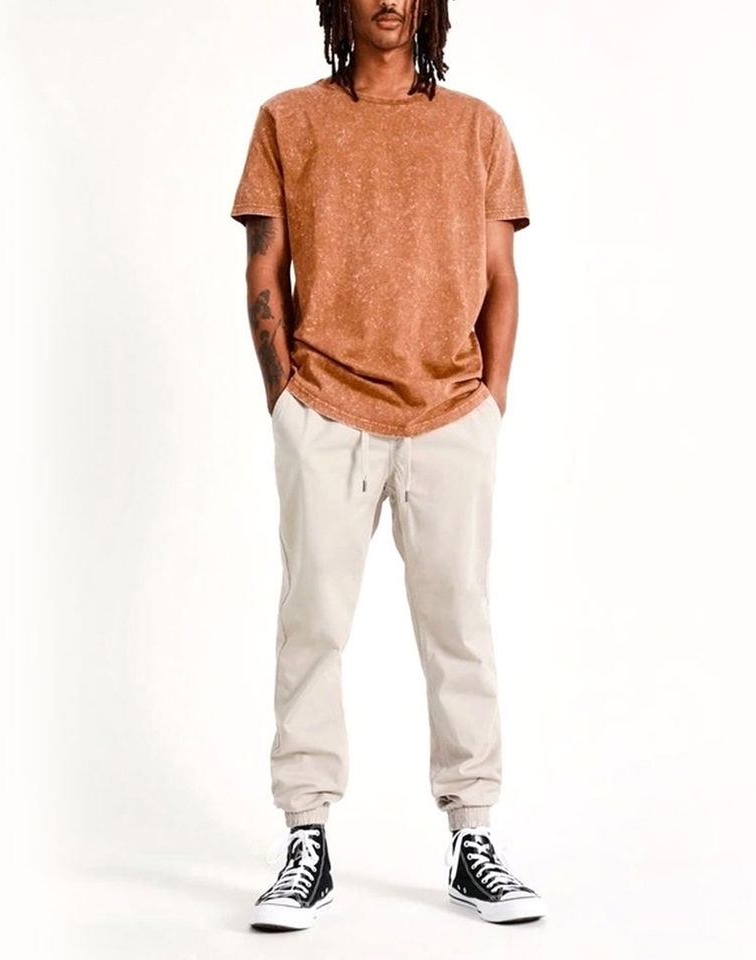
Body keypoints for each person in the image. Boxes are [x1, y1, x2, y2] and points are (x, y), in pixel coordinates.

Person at [231, 0, 545, 930]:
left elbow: (502, 279)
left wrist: (489, 404)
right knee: (313, 624)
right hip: (325, 411)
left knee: (460, 628)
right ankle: (306, 839)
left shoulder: (477, 128)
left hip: (451, 414)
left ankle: (473, 837)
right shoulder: (289, 120)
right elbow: (263, 269)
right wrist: (286, 400)